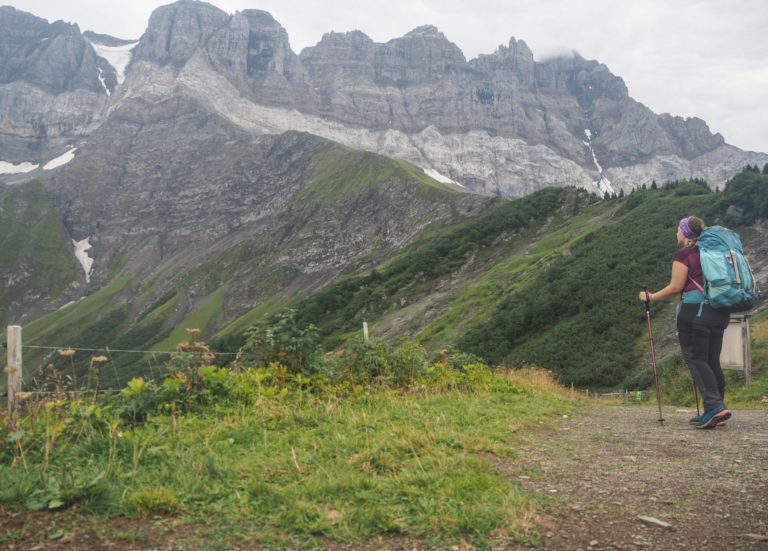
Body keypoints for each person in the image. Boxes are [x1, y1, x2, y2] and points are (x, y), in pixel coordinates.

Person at [638, 216, 732, 429]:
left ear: (687, 234)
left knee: (696, 359)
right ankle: (715, 408)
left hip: (694, 312)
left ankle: (716, 407)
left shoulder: (685, 254)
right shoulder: (714, 251)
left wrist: (650, 297)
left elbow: (675, 287)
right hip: (719, 311)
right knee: (711, 360)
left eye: (678, 229)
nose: (676, 233)